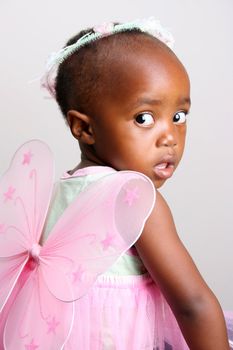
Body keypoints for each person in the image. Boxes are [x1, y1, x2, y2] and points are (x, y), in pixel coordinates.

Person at [1, 19, 232, 350]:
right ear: (85, 129)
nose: (170, 137)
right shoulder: (133, 199)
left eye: (179, 117)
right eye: (144, 118)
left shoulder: (49, 198)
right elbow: (192, 303)